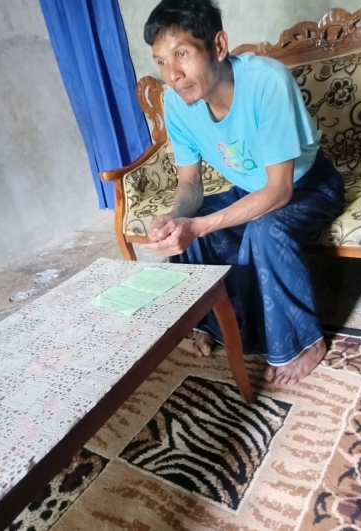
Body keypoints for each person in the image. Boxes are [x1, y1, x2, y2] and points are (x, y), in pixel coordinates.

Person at [142, 0, 344, 385]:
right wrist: (176, 217)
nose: (173, 75)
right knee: (189, 227)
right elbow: (190, 184)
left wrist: (200, 224)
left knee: (265, 230)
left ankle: (305, 344)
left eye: (182, 54)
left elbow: (280, 190)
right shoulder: (175, 103)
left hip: (309, 185)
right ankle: (214, 325)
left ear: (218, 46)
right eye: (162, 62)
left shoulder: (267, 81)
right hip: (251, 190)